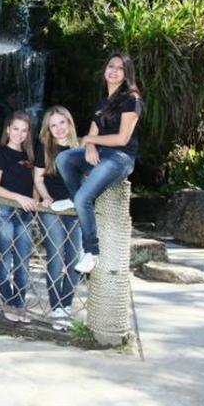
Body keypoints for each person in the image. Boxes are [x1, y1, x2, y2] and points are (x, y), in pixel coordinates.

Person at [53, 52, 143, 274]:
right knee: (64, 158)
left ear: (126, 74)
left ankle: (91, 251)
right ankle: (75, 200)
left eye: (120, 68)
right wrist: (90, 145)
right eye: (110, 66)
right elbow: (88, 137)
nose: (113, 71)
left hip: (121, 158)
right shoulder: (103, 102)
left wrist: (91, 140)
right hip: (101, 153)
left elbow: (122, 139)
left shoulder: (132, 100)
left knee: (85, 196)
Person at [34, 106, 82, 330]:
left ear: (69, 123)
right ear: (48, 129)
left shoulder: (81, 147)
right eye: (53, 125)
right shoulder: (44, 147)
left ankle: (66, 305)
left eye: (62, 123)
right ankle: (55, 308)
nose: (59, 128)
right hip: (52, 208)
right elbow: (39, 179)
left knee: (75, 259)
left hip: (75, 210)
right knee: (56, 256)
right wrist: (45, 198)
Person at [0, 111, 36, 323]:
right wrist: (18, 198)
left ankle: (19, 303)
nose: (19, 134)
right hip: (3, 212)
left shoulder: (30, 157)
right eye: (15, 129)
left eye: (23, 130)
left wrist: (38, 200)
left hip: (26, 214)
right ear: (8, 129)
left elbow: (34, 184)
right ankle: (7, 301)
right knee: (5, 257)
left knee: (23, 260)